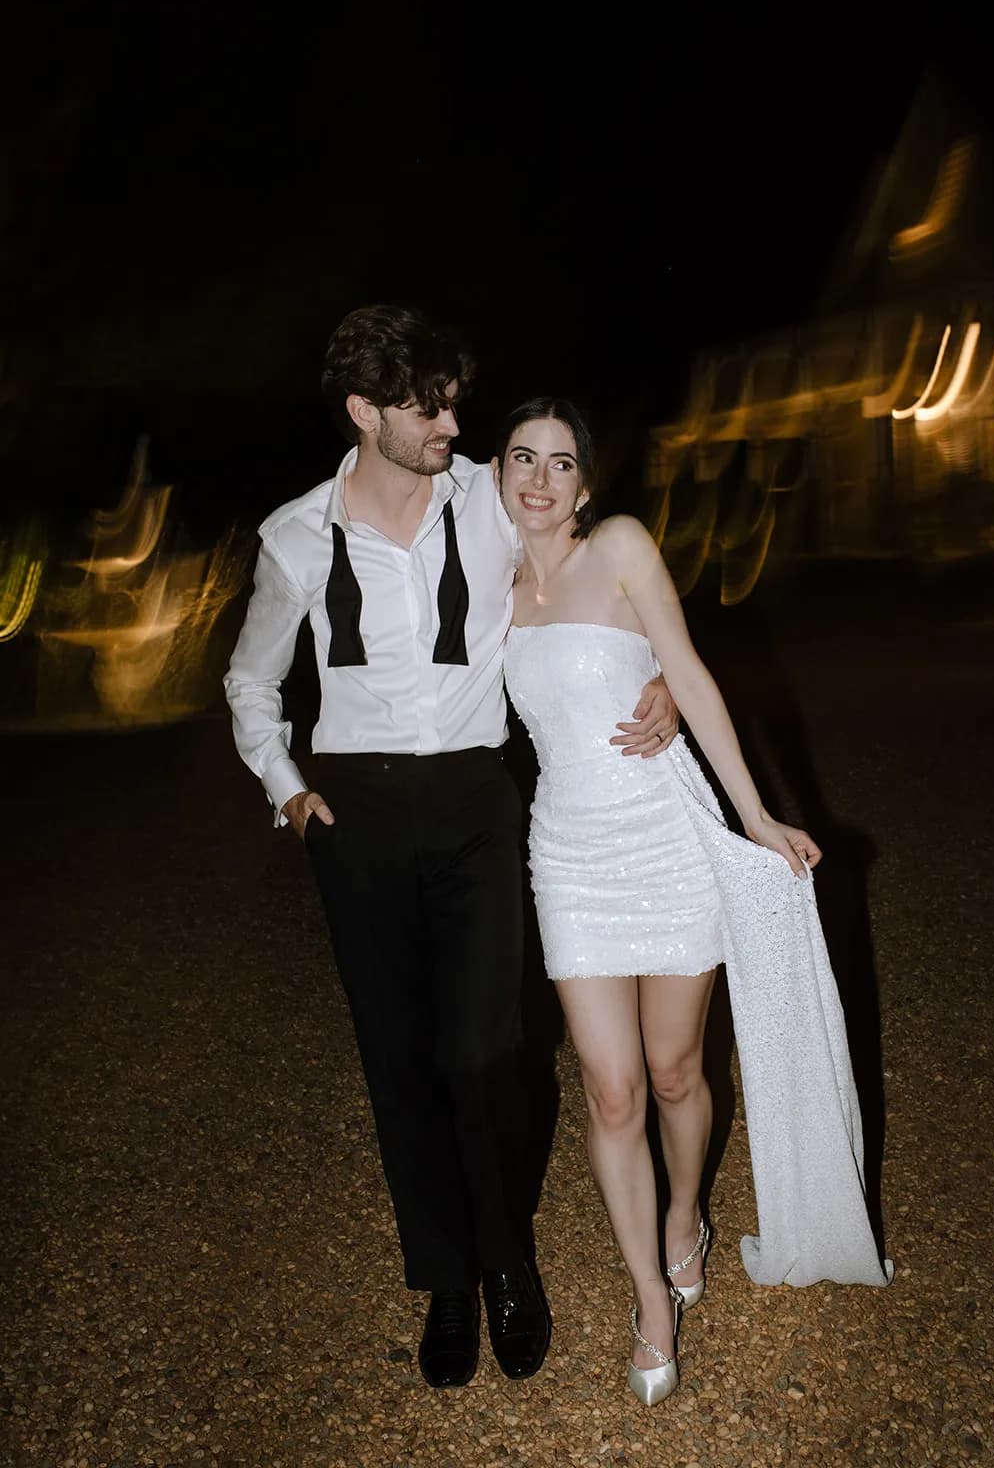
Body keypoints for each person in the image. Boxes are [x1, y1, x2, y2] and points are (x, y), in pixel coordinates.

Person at [223, 308, 679, 1389]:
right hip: (356, 814)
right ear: (365, 411)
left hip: (477, 799)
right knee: (400, 1062)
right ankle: (447, 1281)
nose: (453, 422)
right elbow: (248, 680)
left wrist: (653, 668)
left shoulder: (487, 493)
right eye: (429, 405)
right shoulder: (294, 536)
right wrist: (287, 789)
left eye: (453, 402)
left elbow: (591, 566)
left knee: (486, 1051)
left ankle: (509, 1256)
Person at [495, 398, 892, 1407]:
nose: (539, 478)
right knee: (612, 1088)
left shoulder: (620, 544)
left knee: (675, 1071)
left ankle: (686, 1215)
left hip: (665, 839)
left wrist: (755, 815)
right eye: (521, 459)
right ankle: (649, 1299)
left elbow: (693, 673)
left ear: (586, 484)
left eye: (560, 462)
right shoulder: (484, 582)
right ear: (499, 473)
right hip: (569, 858)